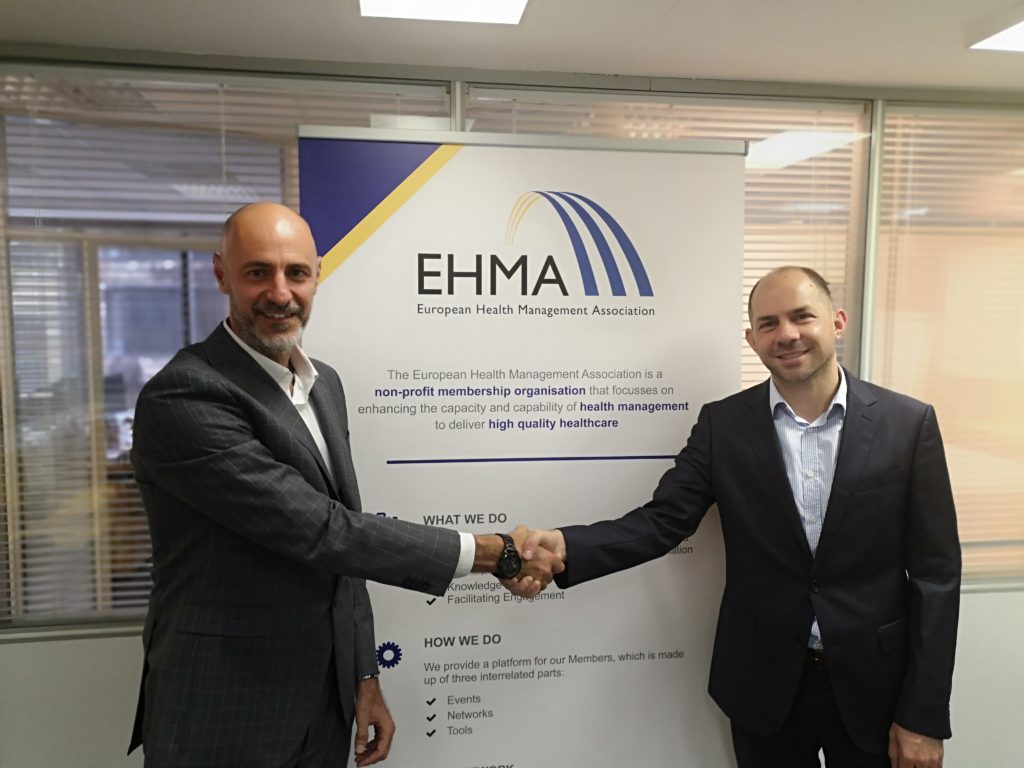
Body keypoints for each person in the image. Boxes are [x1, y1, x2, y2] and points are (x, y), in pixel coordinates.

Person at [127, 201, 561, 768]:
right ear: (221, 274)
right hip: (224, 706)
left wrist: (363, 674)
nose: (280, 293)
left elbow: (343, 554)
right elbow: (323, 532)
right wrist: (495, 552)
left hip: (321, 704)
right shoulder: (185, 395)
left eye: (296, 273)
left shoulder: (323, 384)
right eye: (258, 272)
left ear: (318, 275)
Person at [515, 266, 960, 768]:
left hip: (876, 687)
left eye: (802, 317)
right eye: (769, 324)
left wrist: (923, 714)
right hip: (762, 685)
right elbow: (662, 522)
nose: (786, 334)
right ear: (752, 339)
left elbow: (936, 576)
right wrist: (566, 546)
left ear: (837, 321)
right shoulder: (722, 425)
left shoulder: (908, 424)